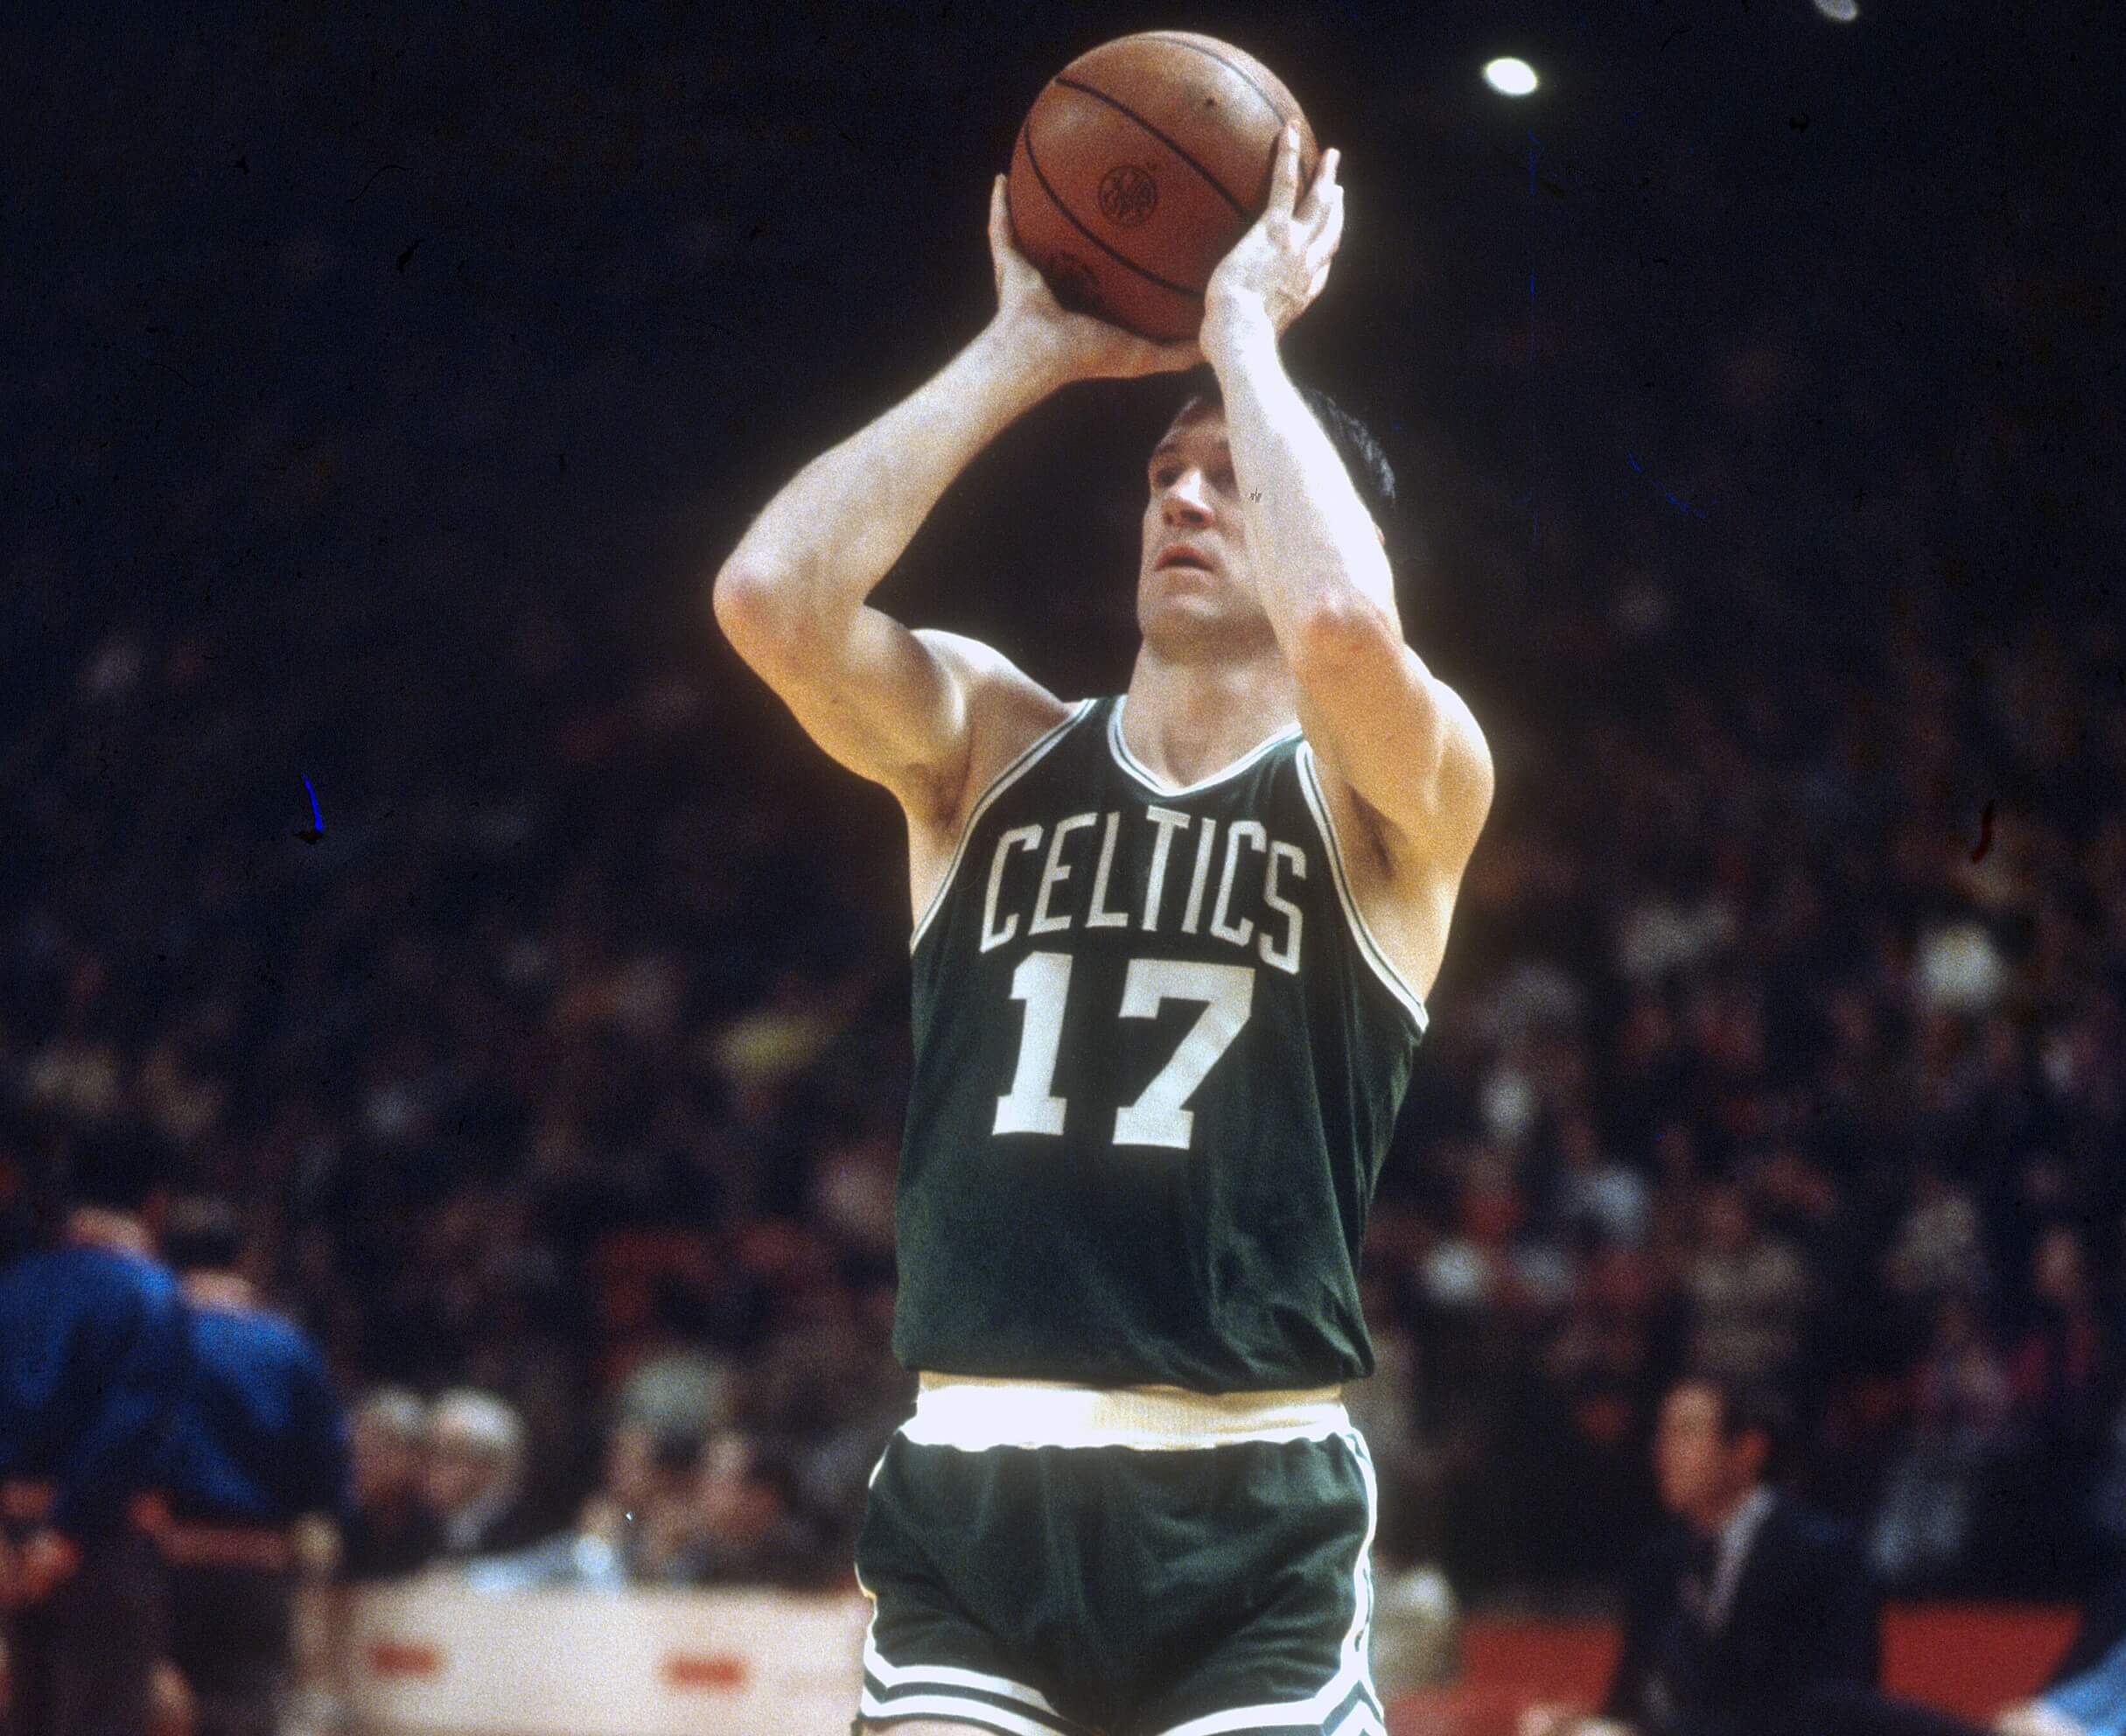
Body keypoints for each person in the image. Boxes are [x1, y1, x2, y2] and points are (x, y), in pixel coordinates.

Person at [715, 125, 1493, 1735]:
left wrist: (1242, 335)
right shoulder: (995, 742)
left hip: (1250, 1501)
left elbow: (1345, 624)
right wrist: (1019, 348)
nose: (1187, 500)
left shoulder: (1397, 793)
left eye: (1229, 476)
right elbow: (771, 593)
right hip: (975, 1485)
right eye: (1163, 475)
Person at [1518, 1376, 1879, 1736]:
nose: (1663, 1449)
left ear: (1747, 1449)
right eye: (1663, 1433)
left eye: (1686, 1431)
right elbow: (1632, 1703)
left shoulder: (1822, 1555)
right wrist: (1581, 1726)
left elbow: (1825, 1710)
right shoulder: (1659, 1560)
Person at [0, 1116, 191, 1736]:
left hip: (12, 1543)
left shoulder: (18, 1283)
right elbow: (129, 1427)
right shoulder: (151, 1291)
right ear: (156, 1202)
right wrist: (65, 1535)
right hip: (99, 1541)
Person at [151, 1195, 353, 1736]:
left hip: (151, 1563)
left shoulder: (144, 1335)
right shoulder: (287, 1346)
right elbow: (328, 1474)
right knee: (244, 1716)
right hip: (254, 1570)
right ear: (245, 1259)